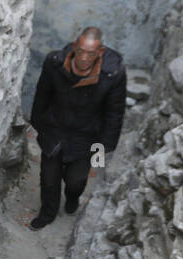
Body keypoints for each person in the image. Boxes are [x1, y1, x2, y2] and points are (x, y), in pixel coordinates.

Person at [27, 27, 126, 230]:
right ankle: (48, 213)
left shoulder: (112, 75)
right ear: (74, 47)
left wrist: (105, 146)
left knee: (76, 180)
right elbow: (42, 95)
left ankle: (73, 198)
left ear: (100, 52)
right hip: (55, 130)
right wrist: (40, 125)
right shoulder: (55, 63)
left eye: (90, 53)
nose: (83, 57)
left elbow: (114, 113)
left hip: (87, 136)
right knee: (49, 178)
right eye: (80, 51)